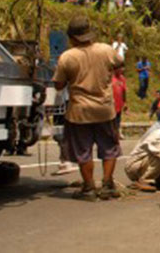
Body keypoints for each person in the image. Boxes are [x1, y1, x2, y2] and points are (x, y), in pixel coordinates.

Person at [52, 16, 123, 201]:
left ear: (72, 37)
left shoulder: (67, 57)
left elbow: (58, 85)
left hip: (79, 111)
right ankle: (107, 185)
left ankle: (89, 188)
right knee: (109, 147)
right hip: (104, 109)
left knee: (83, 150)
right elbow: (120, 63)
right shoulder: (106, 50)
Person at [112, 66, 127, 132]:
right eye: (119, 69)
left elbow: (124, 91)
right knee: (112, 119)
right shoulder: (110, 78)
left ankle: (117, 132)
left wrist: (125, 103)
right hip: (111, 103)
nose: (121, 70)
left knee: (118, 118)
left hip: (119, 103)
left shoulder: (122, 78)